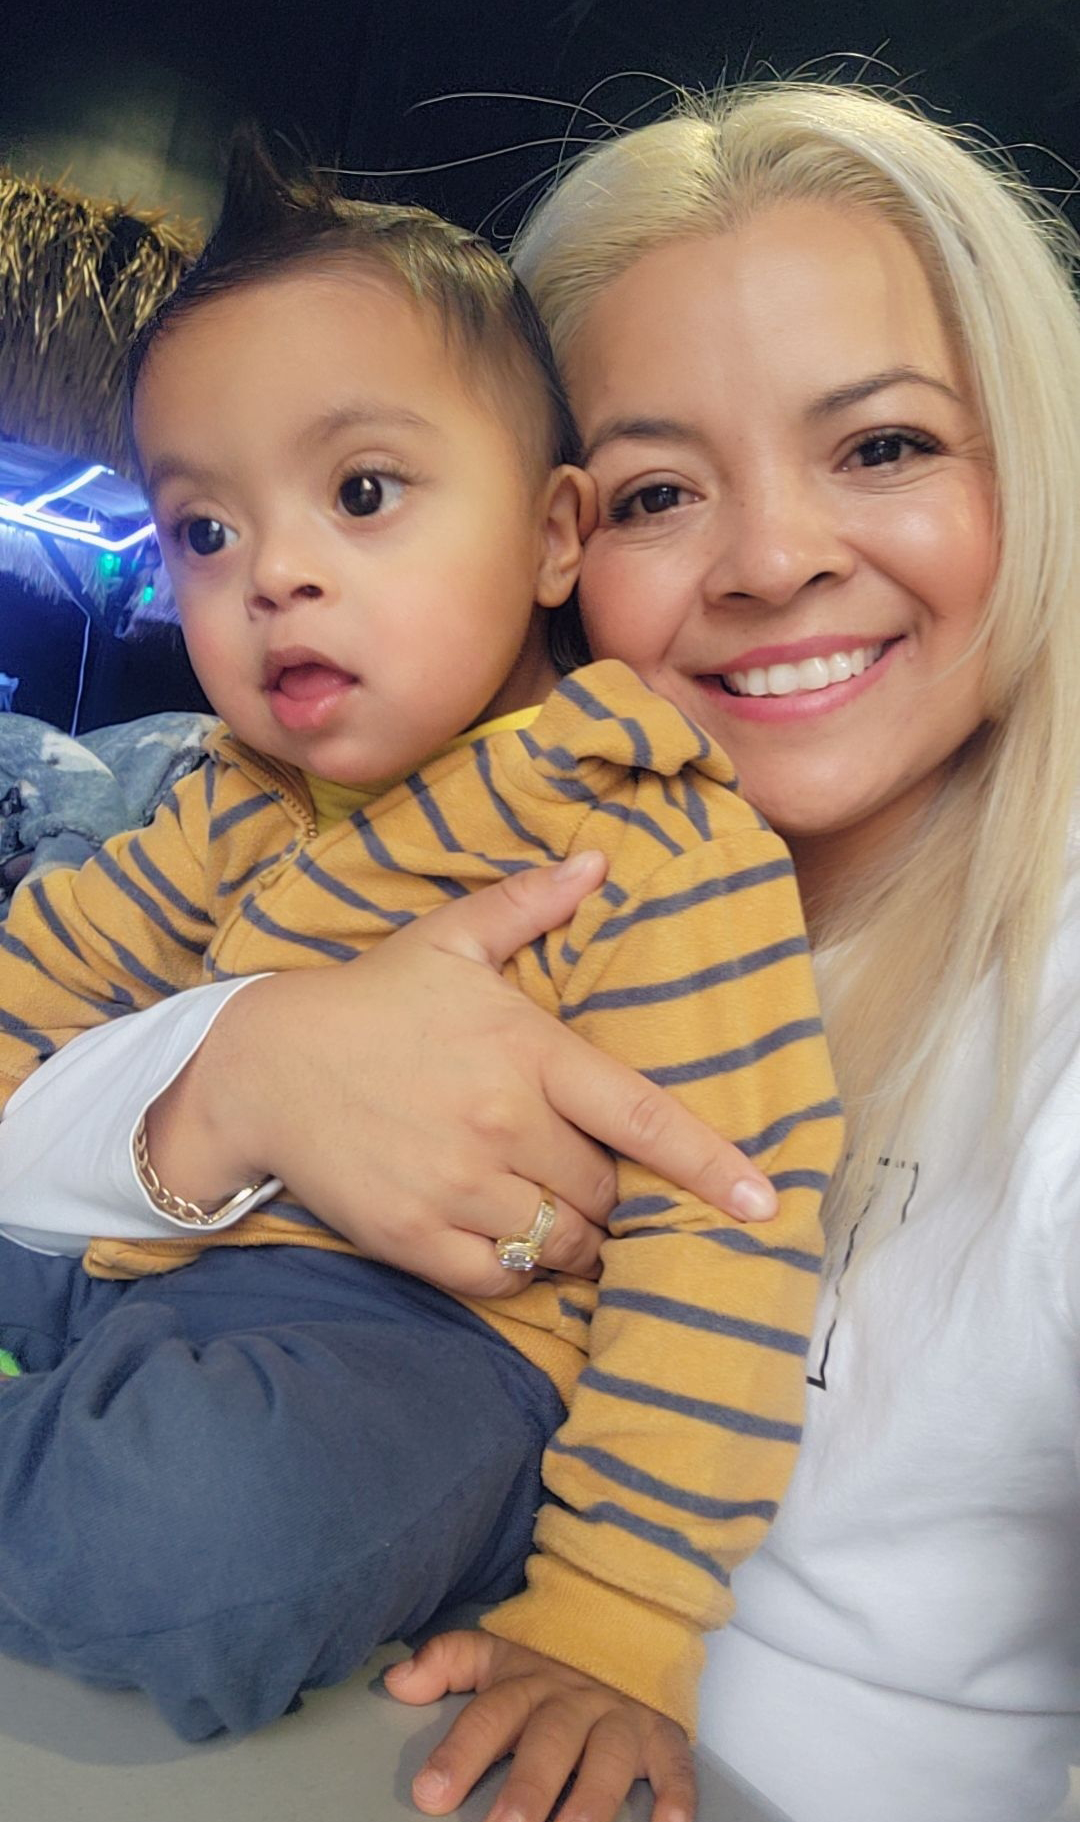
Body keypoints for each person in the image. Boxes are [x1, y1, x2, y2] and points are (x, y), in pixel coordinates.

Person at [1, 75, 1077, 1822]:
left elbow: (714, 1262)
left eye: (884, 444)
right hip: (241, 1513)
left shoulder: (684, 866)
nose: (777, 558)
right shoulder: (261, 788)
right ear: (572, 534)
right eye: (665, 489)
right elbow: (48, 1011)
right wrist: (254, 1058)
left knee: (194, 1531)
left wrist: (614, 1622)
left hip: (422, 1549)